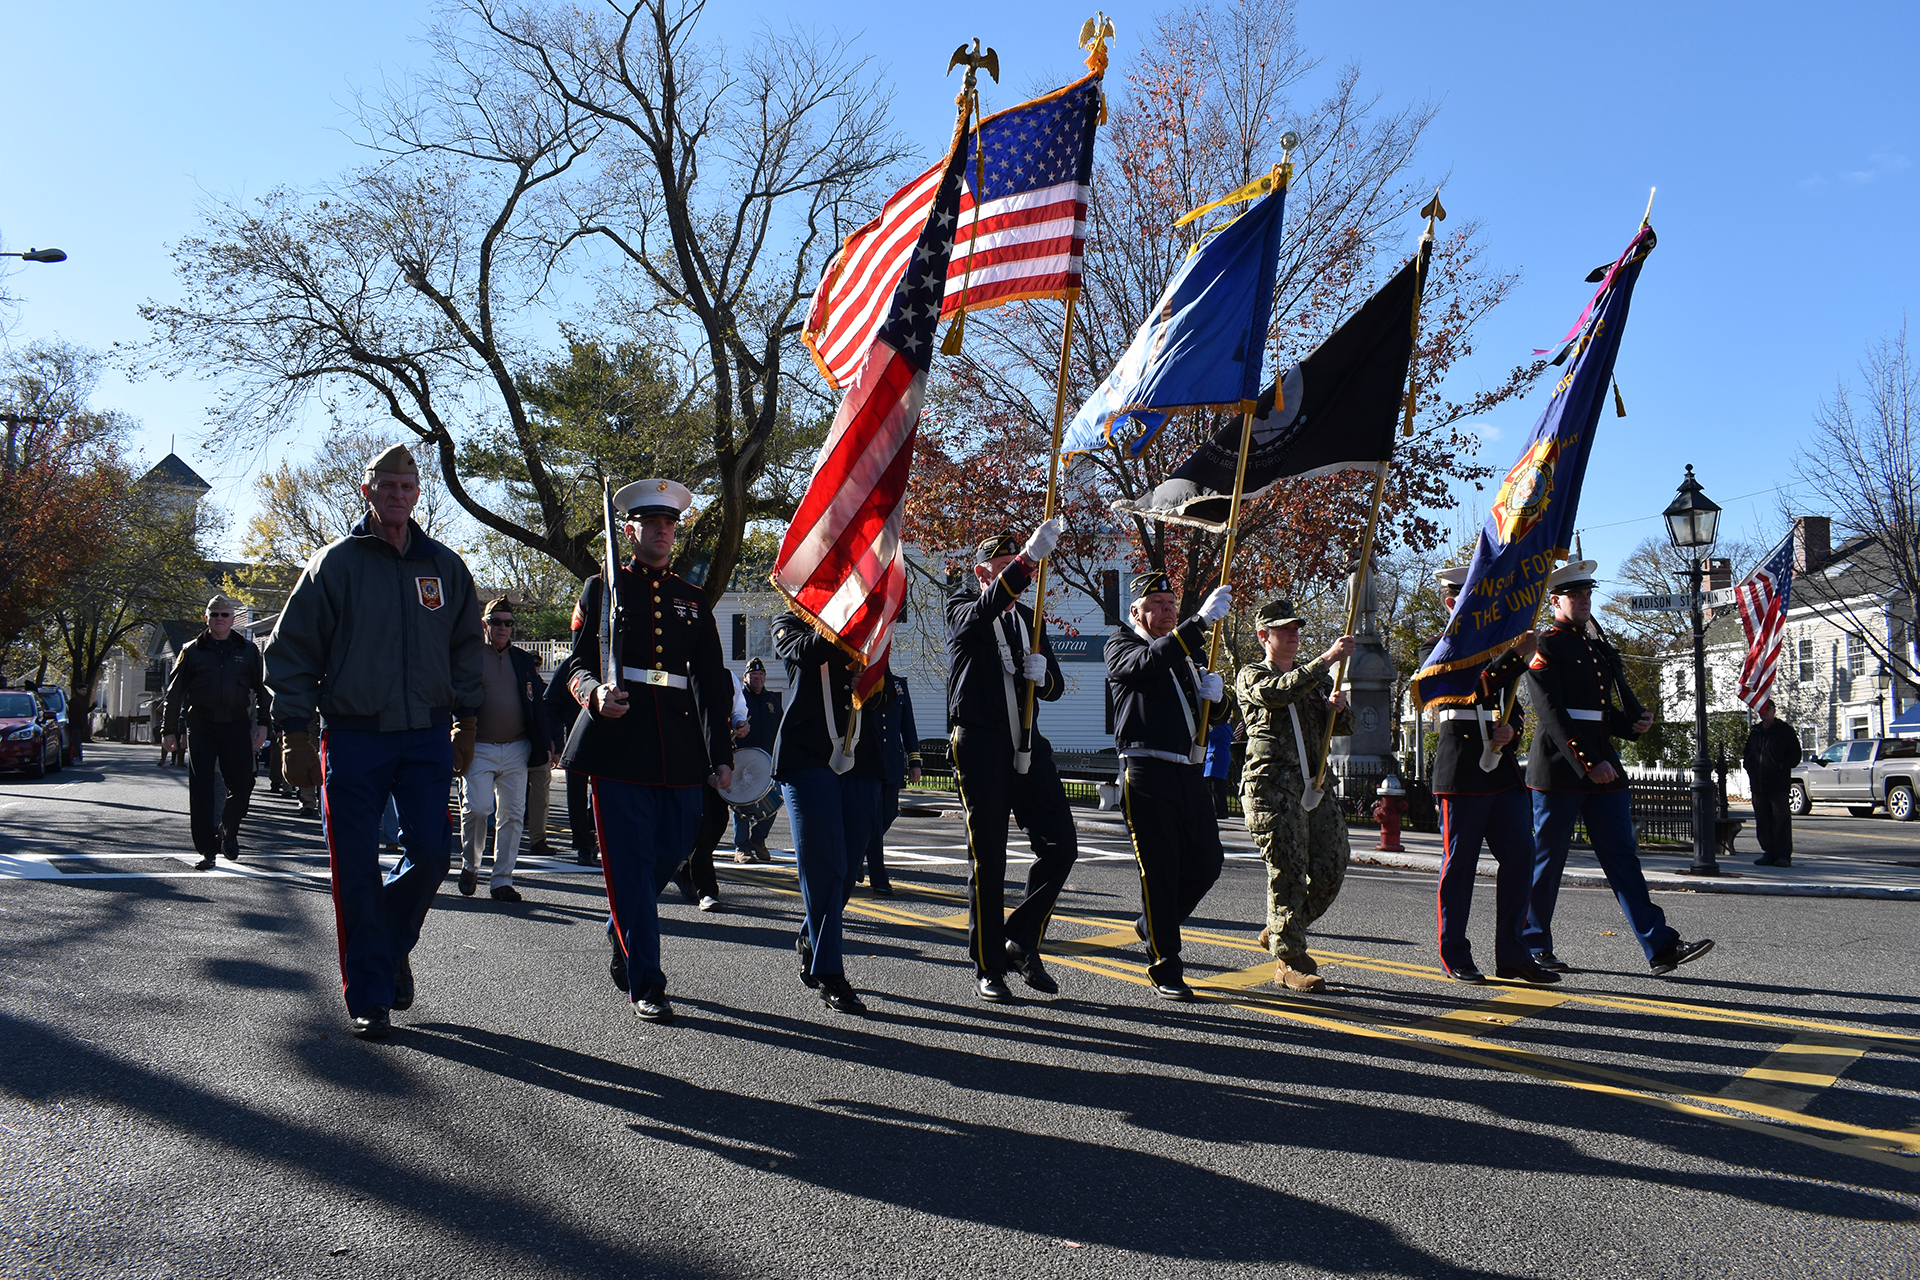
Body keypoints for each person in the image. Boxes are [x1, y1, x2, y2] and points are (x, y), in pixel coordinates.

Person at [264, 443, 484, 1040]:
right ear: (367, 491)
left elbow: (468, 650)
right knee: (354, 868)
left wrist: (466, 718)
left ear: (418, 495)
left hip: (427, 736)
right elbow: (291, 653)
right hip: (354, 736)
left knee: (435, 853)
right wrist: (293, 732)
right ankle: (368, 993)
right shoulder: (334, 564)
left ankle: (387, 945)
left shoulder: (445, 566)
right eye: (386, 485)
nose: (397, 495)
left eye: (407, 487)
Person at [558, 477, 733, 1025]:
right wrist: (593, 693)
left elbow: (709, 680)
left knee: (679, 840)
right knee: (630, 868)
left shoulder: (692, 598)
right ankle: (647, 983)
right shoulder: (602, 588)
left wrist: (719, 751)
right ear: (629, 531)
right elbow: (576, 665)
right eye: (652, 523)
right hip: (619, 744)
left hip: (679, 746)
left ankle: (622, 923)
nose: (663, 530)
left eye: (670, 524)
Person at [1523, 560, 1714, 977]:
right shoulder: (1545, 645)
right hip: (1561, 770)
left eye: (1588, 594)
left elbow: (1599, 712)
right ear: (1556, 600)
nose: (1585, 601)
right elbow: (1552, 714)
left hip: (1603, 768)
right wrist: (1590, 764)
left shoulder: (1594, 647)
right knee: (1547, 861)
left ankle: (1660, 946)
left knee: (1624, 859)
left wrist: (1631, 724)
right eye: (1576, 596)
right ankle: (1533, 943)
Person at [946, 522, 1077, 1002]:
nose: (1018, 581)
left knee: (1061, 846)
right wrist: (1023, 564)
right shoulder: (963, 606)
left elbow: (1058, 688)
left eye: (1019, 569)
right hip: (980, 742)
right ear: (983, 573)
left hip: (1027, 740)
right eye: (1002, 570)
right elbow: (976, 618)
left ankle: (1020, 938)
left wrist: (1043, 680)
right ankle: (988, 964)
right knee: (990, 857)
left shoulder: (1031, 620)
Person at [1106, 571, 1234, 1001]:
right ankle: (1165, 963)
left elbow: (1209, 719)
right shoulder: (1121, 645)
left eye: (1171, 603)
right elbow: (1147, 663)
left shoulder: (1183, 657)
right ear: (1136, 612)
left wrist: (1217, 699)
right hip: (1146, 772)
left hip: (1187, 772)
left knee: (1207, 862)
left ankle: (1151, 923)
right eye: (1157, 603)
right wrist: (1197, 624)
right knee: (1159, 872)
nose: (1167, 610)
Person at [1427, 565, 1553, 985]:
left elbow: (1510, 704)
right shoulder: (1440, 649)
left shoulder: (1501, 649)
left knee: (1521, 855)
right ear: (1452, 604)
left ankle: (1513, 953)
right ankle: (1455, 954)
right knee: (1459, 865)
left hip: (1500, 773)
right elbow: (1469, 687)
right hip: (1461, 774)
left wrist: (1513, 729)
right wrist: (1514, 657)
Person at [769, 614, 889, 1014]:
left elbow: (882, 695)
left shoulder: (868, 629)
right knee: (826, 865)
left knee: (850, 864)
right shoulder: (789, 621)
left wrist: (869, 690)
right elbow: (804, 652)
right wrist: (841, 615)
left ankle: (810, 937)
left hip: (861, 757)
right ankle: (831, 974)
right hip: (807, 757)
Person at [1235, 600, 1354, 993]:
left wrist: (1338, 706)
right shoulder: (1252, 675)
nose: (1293, 634)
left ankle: (1280, 928)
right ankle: (1289, 960)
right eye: (1283, 629)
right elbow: (1277, 694)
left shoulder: (1316, 683)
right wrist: (1327, 659)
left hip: (1315, 787)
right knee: (1287, 869)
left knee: (1332, 867)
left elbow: (1342, 728)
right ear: (1263, 636)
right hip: (1272, 789)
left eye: (1295, 628)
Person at [163, 595, 273, 870]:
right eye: (214, 615)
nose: (219, 619)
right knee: (202, 789)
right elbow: (174, 693)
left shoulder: (247, 651)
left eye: (224, 614)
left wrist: (263, 724)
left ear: (233, 618)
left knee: (243, 783)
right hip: (202, 724)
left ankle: (228, 830)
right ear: (206, 618)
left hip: (236, 725)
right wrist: (169, 730)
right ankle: (207, 850)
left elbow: (262, 690)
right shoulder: (191, 650)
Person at [457, 597, 551, 903]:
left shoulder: (523, 661)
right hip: (478, 748)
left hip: (516, 748)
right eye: (496, 622)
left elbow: (537, 704)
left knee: (512, 816)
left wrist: (548, 742)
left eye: (508, 623)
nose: (503, 628)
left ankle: (502, 880)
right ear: (485, 624)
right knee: (479, 808)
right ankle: (471, 864)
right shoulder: (468, 657)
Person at [859, 672, 921, 895]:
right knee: (874, 821)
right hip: (870, 762)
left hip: (893, 762)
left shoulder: (899, 684)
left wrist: (914, 761)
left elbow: (908, 724)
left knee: (888, 815)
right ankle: (879, 878)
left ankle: (858, 854)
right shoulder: (863, 680)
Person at [543, 653, 598, 866]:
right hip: (577, 740)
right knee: (576, 794)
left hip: (611, 740)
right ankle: (584, 845)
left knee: (605, 796)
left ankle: (593, 829)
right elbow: (550, 703)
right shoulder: (573, 663)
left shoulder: (618, 658)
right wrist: (555, 740)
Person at [732, 657, 784, 864]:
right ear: (746, 677)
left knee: (776, 800)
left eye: (761, 675)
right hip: (743, 759)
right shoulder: (739, 698)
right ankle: (742, 847)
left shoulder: (772, 700)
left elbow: (780, 728)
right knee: (742, 806)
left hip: (768, 760)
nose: (758, 678)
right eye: (754, 675)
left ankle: (758, 840)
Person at [1743, 701, 1801, 867]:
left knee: (1780, 819)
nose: (1764, 712)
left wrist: (1782, 766)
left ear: (1774, 711)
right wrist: (1750, 768)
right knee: (1763, 819)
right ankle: (1769, 852)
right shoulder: (1755, 732)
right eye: (1761, 709)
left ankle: (1783, 855)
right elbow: (1747, 753)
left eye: (1767, 709)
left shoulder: (1784, 731)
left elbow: (1795, 754)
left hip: (1778, 784)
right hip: (1758, 784)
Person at [1204, 718, 1235, 818]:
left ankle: (1220, 811)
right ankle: (1222, 811)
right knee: (1218, 787)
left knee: (1217, 787)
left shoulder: (1220, 729)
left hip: (1216, 759)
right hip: (1218, 759)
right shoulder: (1225, 728)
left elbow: (1207, 736)